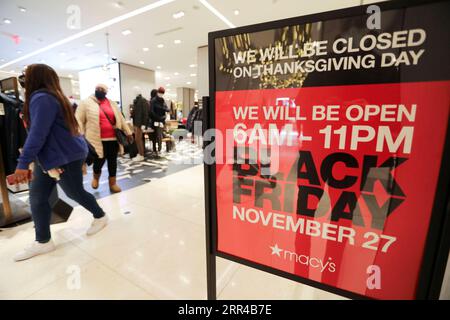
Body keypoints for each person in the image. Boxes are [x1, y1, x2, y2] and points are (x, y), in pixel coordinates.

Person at [11, 64, 108, 262]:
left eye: (25, 76)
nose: (22, 80)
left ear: (34, 78)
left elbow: (37, 134)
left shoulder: (42, 98)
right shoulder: (49, 96)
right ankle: (43, 241)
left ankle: (100, 216)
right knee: (37, 197)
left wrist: (23, 163)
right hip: (49, 157)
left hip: (65, 156)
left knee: (74, 192)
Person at [76, 84, 132, 193]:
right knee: (99, 161)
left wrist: (128, 132)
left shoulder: (112, 103)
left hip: (113, 139)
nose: (99, 91)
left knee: (112, 162)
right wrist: (80, 135)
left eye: (102, 89)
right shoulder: (86, 103)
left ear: (106, 92)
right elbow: (78, 120)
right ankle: (96, 178)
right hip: (96, 140)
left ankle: (113, 183)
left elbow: (121, 118)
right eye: (98, 89)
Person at [149, 87, 169, 157]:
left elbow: (167, 109)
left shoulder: (162, 100)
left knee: (159, 135)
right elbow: (151, 112)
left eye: (162, 93)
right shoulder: (153, 101)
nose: (161, 94)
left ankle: (159, 149)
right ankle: (155, 149)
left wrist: (163, 117)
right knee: (155, 136)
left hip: (161, 121)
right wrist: (158, 118)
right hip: (155, 121)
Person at [131, 93, 149, 162]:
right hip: (136, 123)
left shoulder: (143, 100)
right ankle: (140, 154)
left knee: (138, 139)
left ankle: (141, 155)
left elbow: (145, 113)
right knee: (138, 139)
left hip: (140, 123)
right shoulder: (136, 101)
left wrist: (144, 124)